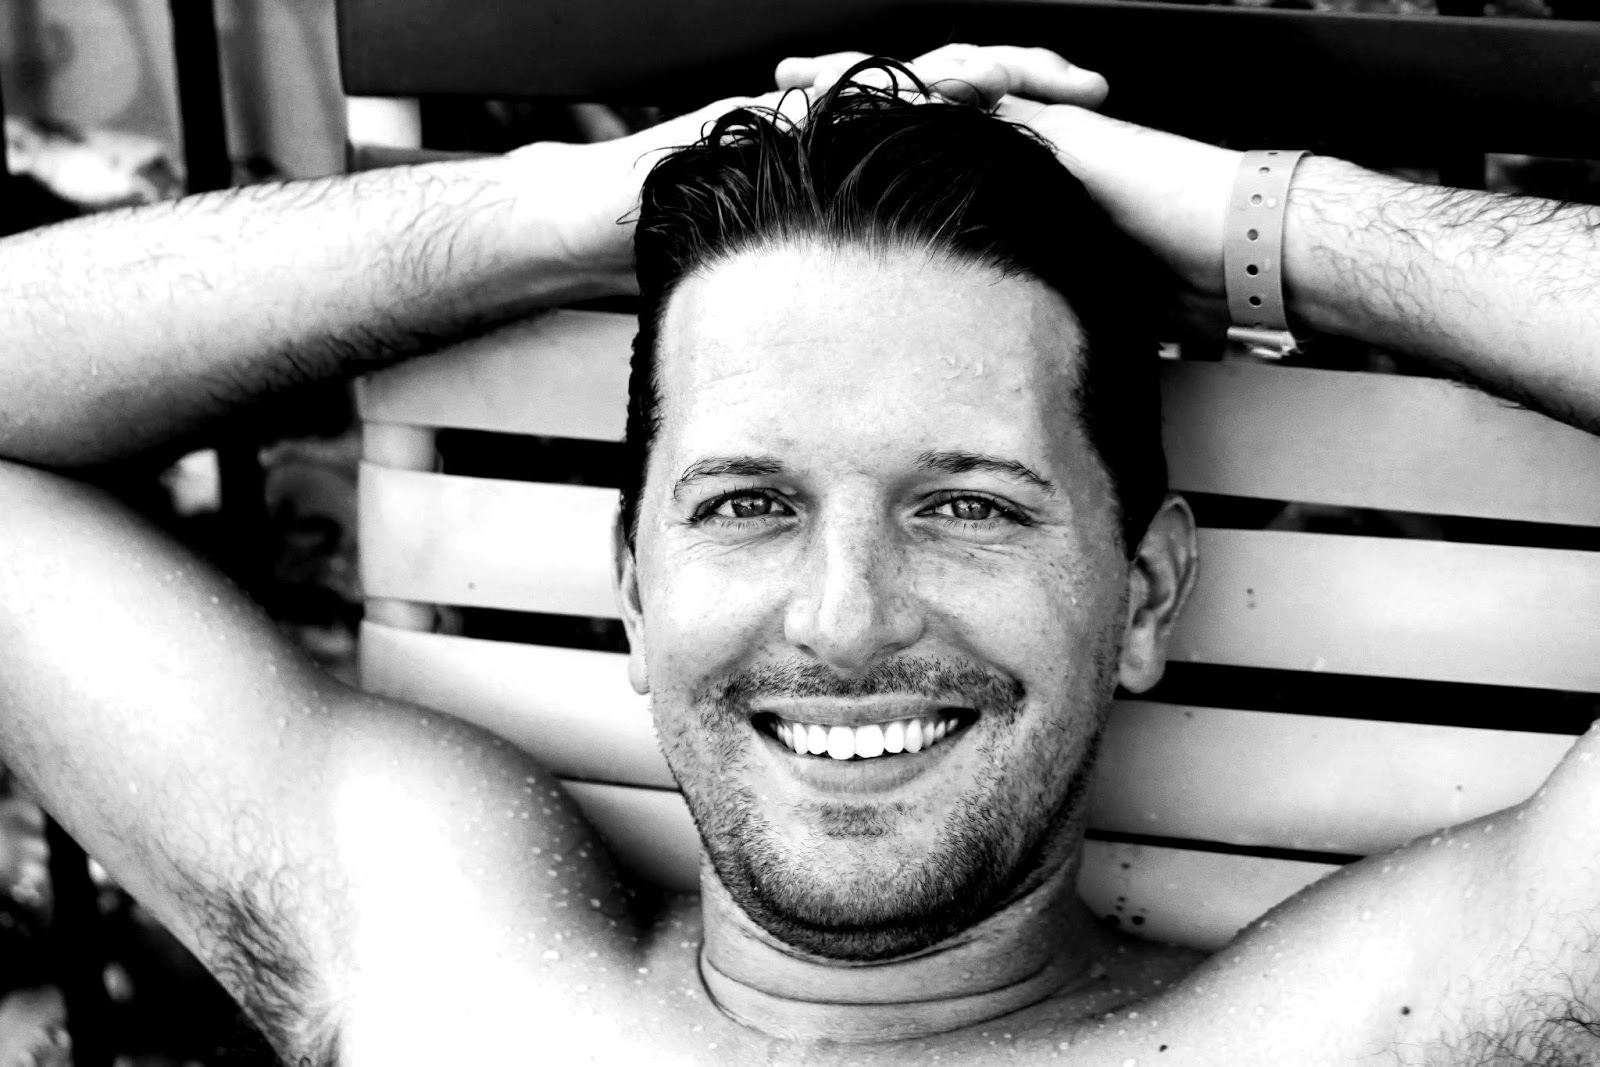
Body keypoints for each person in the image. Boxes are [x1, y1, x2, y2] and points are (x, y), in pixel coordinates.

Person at [0, 43, 1597, 1066]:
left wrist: (1261, 225)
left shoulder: (1360, 1028)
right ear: (634, 590)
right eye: (748, 504)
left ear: (1145, 591)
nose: (845, 620)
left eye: (968, 505)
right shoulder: (443, 962)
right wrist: (578, 209)